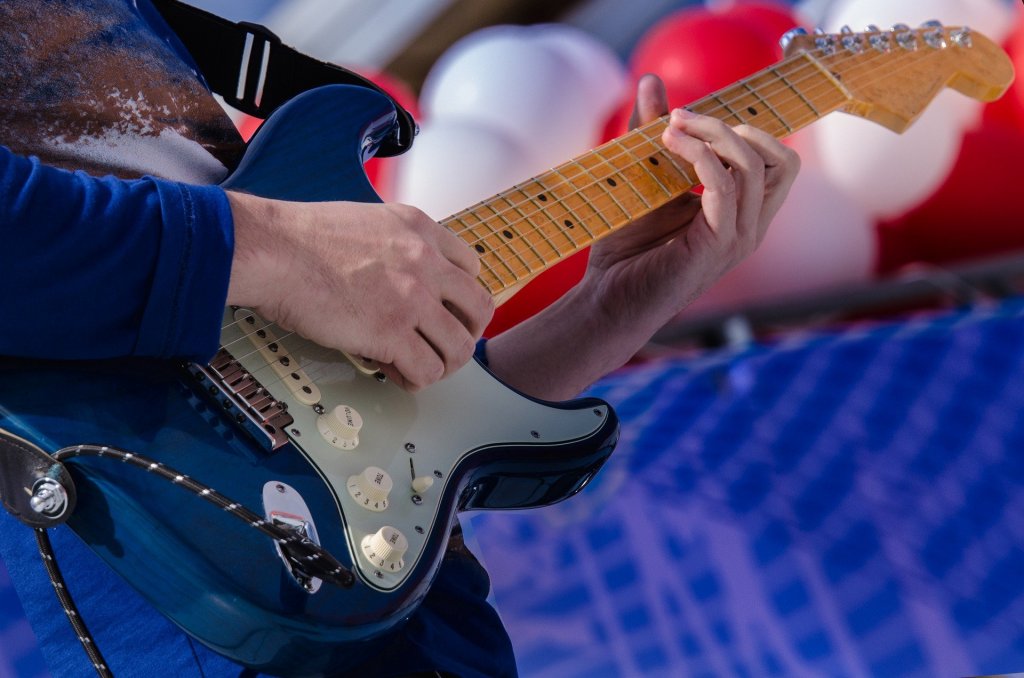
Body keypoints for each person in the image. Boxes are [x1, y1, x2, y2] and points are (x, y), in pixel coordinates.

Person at [0, 1, 800, 676]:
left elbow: (302, 399)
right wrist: (287, 247)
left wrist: (610, 305)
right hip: (191, 604)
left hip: (402, 609)